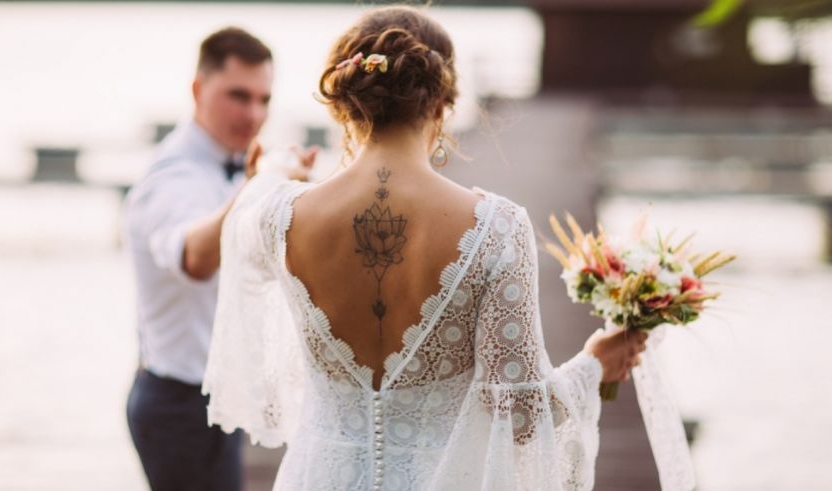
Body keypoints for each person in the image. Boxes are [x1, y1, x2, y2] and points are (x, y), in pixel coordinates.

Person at [203, 6, 646, 490]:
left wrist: (271, 174)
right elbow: (520, 416)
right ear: (442, 105)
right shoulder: (497, 228)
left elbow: (235, 242)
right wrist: (594, 364)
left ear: (344, 102)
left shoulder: (274, 218)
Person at [123, 27, 316, 490]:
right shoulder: (172, 176)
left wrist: (289, 197)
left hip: (213, 396)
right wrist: (259, 189)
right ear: (197, 89)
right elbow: (195, 257)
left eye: (263, 99)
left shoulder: (230, 164)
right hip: (176, 405)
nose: (253, 114)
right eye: (237, 95)